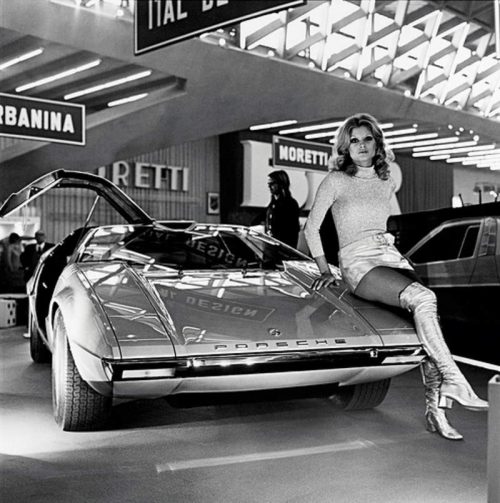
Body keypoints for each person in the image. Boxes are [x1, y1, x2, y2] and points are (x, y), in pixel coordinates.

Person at [304, 113, 487, 441]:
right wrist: (324, 269)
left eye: (367, 139)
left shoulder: (385, 179)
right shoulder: (336, 180)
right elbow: (311, 227)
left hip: (388, 256)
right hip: (358, 262)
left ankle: (436, 412)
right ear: (345, 146)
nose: (361, 146)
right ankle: (455, 380)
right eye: (354, 140)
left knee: (428, 326)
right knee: (424, 299)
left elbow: (393, 222)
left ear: (377, 143)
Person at [265, 170, 300, 248]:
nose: (269, 187)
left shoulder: (291, 204)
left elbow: (292, 232)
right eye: (268, 184)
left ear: (281, 184)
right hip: (271, 248)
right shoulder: (272, 205)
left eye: (272, 183)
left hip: (283, 250)